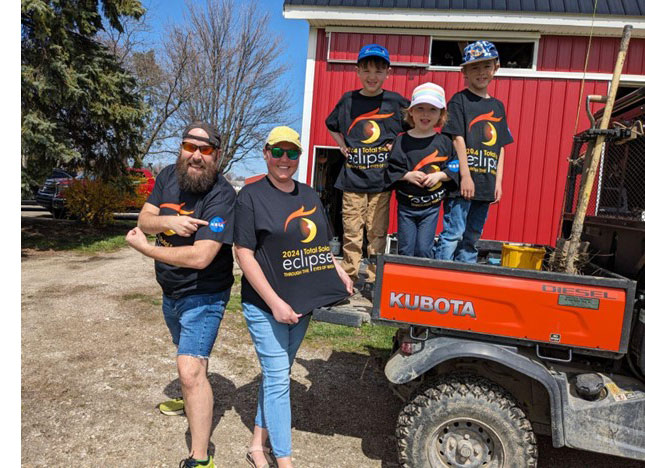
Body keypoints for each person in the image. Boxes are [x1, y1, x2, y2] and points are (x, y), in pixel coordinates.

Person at [234, 126, 352, 468]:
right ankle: (284, 460)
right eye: (278, 151)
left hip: (302, 304)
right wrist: (274, 303)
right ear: (266, 153)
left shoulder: (310, 195)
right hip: (265, 306)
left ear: (299, 157)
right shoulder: (251, 196)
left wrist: (338, 271)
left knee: (278, 374)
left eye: (293, 153)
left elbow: (319, 247)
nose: (285, 159)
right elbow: (244, 253)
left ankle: (258, 445)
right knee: (276, 378)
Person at [126, 121, 236, 468]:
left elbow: (201, 257)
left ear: (216, 156)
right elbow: (145, 218)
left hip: (204, 293)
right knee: (190, 361)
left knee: (188, 369)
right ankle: (192, 399)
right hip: (170, 290)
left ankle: (200, 458)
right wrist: (169, 224)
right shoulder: (167, 177)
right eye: (190, 147)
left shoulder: (222, 195)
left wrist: (147, 251)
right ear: (181, 148)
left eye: (205, 150)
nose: (196, 156)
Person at [325, 43, 409, 300]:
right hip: (352, 180)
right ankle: (347, 278)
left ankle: (373, 280)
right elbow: (330, 124)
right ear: (358, 71)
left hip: (381, 182)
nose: (372, 76)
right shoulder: (349, 100)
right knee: (351, 232)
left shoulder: (395, 102)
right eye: (367, 69)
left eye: (379, 70)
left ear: (388, 73)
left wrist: (398, 144)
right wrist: (341, 146)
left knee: (376, 233)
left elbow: (416, 123)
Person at [433, 40, 514, 263]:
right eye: (474, 67)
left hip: (486, 184)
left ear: (496, 67)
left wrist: (498, 182)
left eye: (486, 66)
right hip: (462, 185)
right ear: (464, 72)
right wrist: (465, 176)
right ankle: (439, 276)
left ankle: (462, 282)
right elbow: (458, 139)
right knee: (453, 234)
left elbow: (501, 147)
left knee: (472, 237)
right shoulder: (459, 101)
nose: (481, 72)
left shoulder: (498, 107)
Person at [386, 82, 459, 258]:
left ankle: (421, 284)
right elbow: (391, 168)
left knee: (423, 250)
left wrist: (440, 176)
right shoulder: (401, 141)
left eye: (432, 109)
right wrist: (407, 175)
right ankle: (403, 283)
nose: (425, 114)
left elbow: (455, 166)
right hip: (406, 207)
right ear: (411, 111)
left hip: (431, 208)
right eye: (420, 108)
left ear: (441, 114)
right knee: (405, 249)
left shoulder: (445, 142)